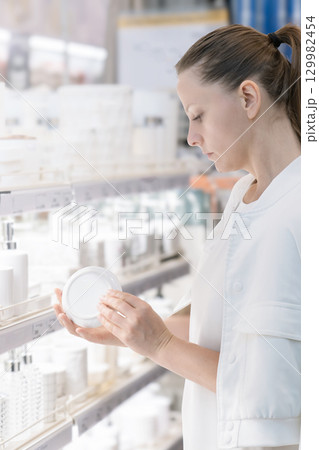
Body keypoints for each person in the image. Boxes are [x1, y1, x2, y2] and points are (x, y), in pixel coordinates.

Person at [54, 23, 301, 450]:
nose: (191, 137)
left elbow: (268, 387)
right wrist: (131, 331)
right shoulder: (245, 192)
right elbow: (222, 317)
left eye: (197, 115)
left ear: (248, 98)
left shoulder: (303, 208)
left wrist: (160, 343)